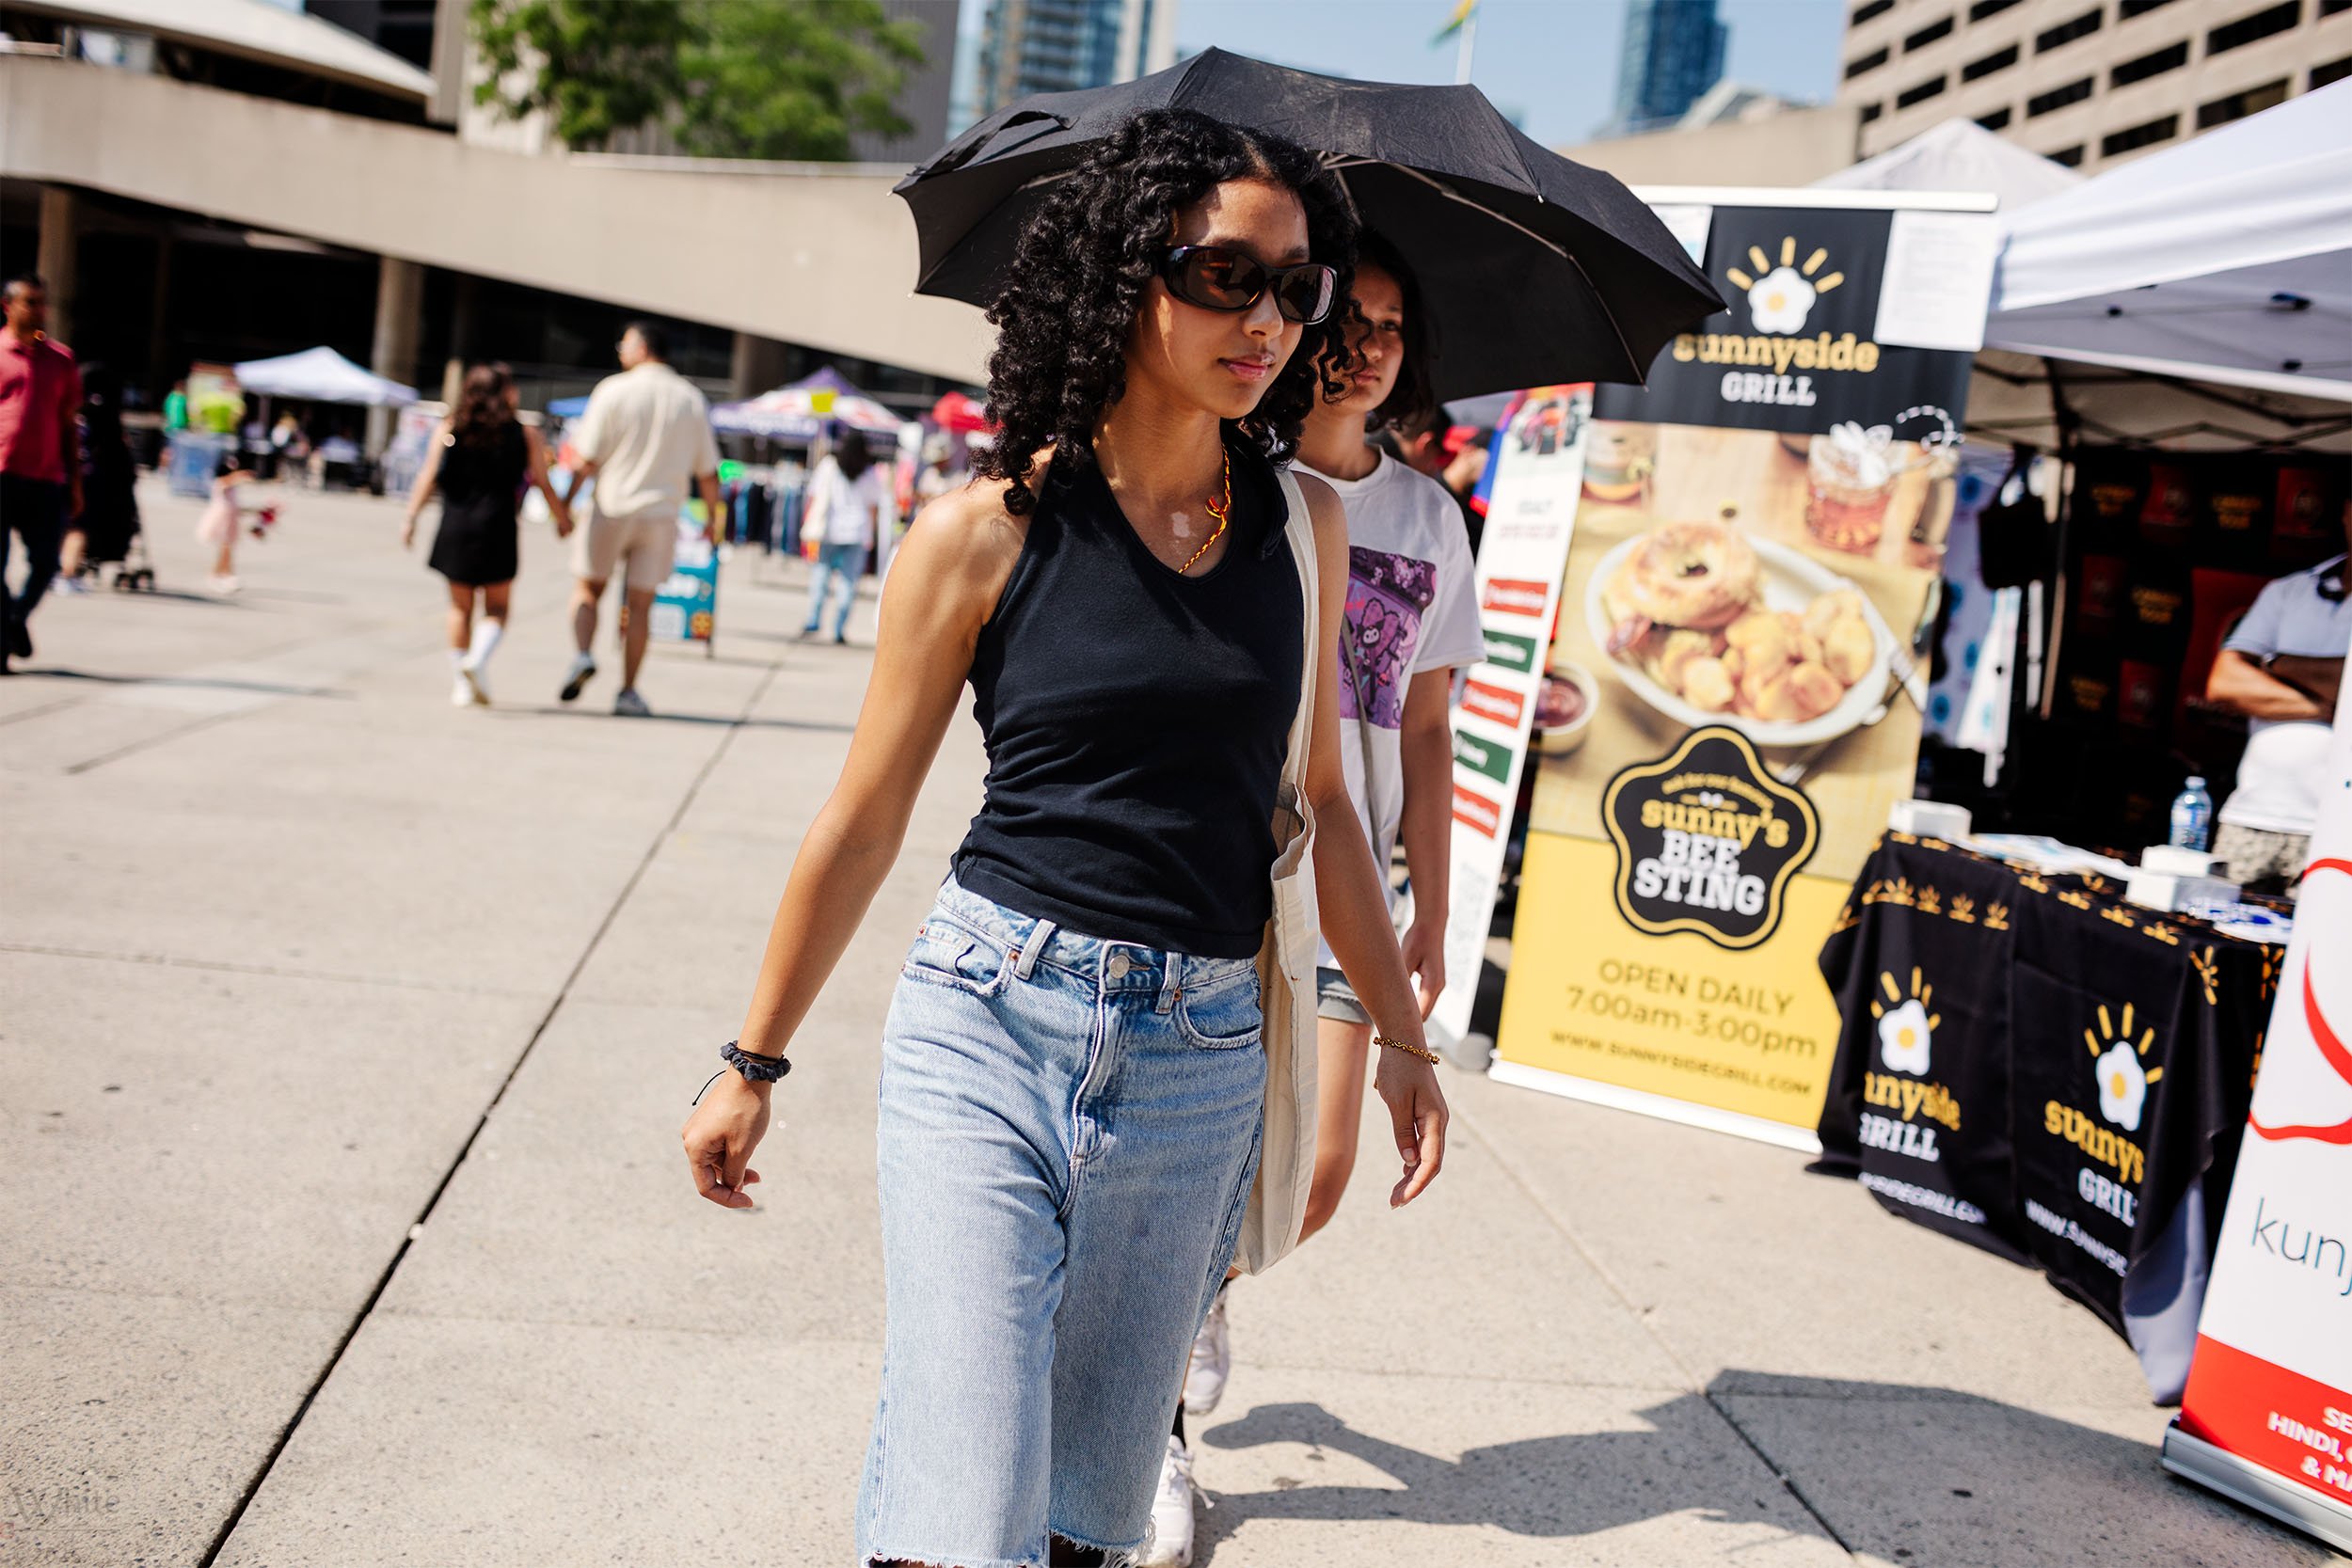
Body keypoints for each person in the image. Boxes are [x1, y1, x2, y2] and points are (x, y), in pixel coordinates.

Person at [677, 109, 1448, 1568]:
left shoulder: (1304, 528)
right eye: (1226, 275)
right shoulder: (986, 529)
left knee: (1088, 1507)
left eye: (1296, 289)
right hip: (989, 1018)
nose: (1270, 321)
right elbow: (864, 817)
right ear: (1125, 273)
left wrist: (1402, 1034)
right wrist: (752, 1057)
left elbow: (1330, 807)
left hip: (1202, 1056)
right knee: (969, 1500)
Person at [1144, 234, 1486, 1561]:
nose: (1370, 346)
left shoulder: (1430, 518)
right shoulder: (1240, 476)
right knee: (1197, 1151)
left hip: (1352, 879)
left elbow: (1430, 726)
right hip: (1234, 862)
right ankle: (1156, 1421)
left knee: (1317, 1170)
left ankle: (1196, 1295)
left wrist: (1435, 907)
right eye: (1351, 318)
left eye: (1394, 327)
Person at [558, 322, 722, 718]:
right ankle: (628, 690)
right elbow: (708, 472)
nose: (620, 351)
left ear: (642, 348)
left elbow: (586, 458)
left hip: (611, 507)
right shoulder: (690, 398)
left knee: (588, 589)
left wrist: (563, 505)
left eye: (625, 344)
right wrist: (713, 519)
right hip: (661, 515)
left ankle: (583, 654)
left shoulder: (613, 390)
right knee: (641, 607)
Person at [401, 363, 571, 707]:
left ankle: (461, 683)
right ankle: (477, 659)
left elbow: (428, 475)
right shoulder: (524, 434)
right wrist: (562, 518)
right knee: (497, 607)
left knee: (459, 607)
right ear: (505, 393)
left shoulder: (451, 428)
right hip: (498, 526)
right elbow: (543, 481)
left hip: (455, 525)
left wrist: (410, 518)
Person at [2205, 521, 2352, 897]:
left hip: (2337, 833)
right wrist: (2327, 706)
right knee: (2212, 929)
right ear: (2345, 513)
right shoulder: (2290, 590)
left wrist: (2277, 663)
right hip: (2250, 816)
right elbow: (2225, 682)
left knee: (2321, 935)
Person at [0, 274, 83, 671]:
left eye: (42, 302)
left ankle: (14, 621)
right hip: (1, 473)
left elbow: (69, 426)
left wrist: (76, 481)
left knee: (48, 562)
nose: (39, 310)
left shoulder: (61, 360)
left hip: (45, 478)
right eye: (30, 302)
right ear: (8, 306)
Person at [798, 426, 887, 644]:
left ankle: (813, 620)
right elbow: (873, 507)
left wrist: (808, 521)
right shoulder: (869, 473)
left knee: (821, 576)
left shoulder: (829, 466)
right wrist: (871, 536)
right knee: (848, 582)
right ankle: (839, 628)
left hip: (829, 530)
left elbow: (814, 496)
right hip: (857, 532)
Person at [195, 451, 261, 594]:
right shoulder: (220, 482)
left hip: (231, 518)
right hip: (222, 519)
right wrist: (241, 476)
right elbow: (227, 482)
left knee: (228, 549)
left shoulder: (232, 486)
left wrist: (256, 511)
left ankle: (225, 574)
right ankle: (220, 575)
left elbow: (236, 504)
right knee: (225, 548)